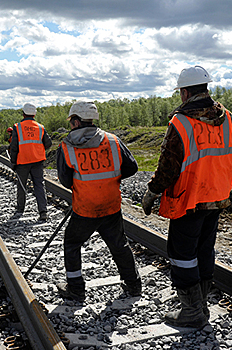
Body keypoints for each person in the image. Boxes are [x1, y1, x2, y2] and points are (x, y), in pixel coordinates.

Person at [141, 65, 232, 328]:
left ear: (185, 93)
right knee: (204, 250)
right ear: (206, 88)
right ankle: (203, 306)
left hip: (189, 199)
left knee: (182, 254)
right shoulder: (229, 118)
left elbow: (169, 166)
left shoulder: (182, 121)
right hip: (217, 196)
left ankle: (192, 312)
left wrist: (152, 192)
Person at [55, 100, 141, 302]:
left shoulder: (66, 146)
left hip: (85, 209)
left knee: (72, 244)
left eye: (71, 121)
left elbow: (66, 180)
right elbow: (132, 168)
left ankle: (76, 289)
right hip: (111, 206)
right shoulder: (112, 141)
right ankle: (134, 285)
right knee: (119, 245)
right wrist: (109, 179)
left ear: (76, 122)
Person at [9, 103, 52, 221]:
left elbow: (14, 147)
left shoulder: (17, 127)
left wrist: (13, 162)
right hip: (37, 161)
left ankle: (20, 209)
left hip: (22, 161)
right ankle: (43, 212)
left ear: (23, 114)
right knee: (39, 185)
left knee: (22, 185)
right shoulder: (40, 127)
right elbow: (48, 143)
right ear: (34, 114)